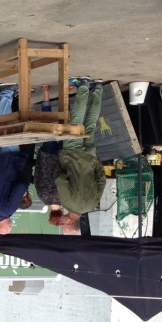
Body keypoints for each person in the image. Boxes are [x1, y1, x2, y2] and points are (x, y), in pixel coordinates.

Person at [51, 80, 106, 234]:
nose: (61, 221)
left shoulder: (92, 204)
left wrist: (95, 162)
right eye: (63, 224)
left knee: (91, 124)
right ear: (69, 222)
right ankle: (83, 86)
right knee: (76, 121)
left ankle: (98, 88)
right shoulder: (67, 203)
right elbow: (61, 179)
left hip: (90, 157)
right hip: (72, 155)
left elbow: (101, 180)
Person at [0, 83, 35, 234]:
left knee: (8, 131)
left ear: (9, 222)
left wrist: (24, 190)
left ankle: (6, 94)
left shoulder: (8, 209)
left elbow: (20, 187)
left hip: (9, 163)